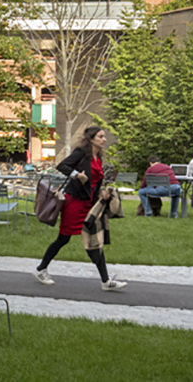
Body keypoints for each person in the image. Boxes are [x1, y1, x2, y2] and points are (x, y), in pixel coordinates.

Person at [33, 125, 127, 291]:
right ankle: (41, 269)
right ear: (91, 139)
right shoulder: (81, 153)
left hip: (89, 204)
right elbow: (62, 166)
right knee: (64, 238)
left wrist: (102, 192)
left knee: (94, 241)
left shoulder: (98, 158)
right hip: (74, 203)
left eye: (103, 136)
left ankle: (106, 281)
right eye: (100, 137)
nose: (104, 139)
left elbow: (95, 182)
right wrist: (77, 175)